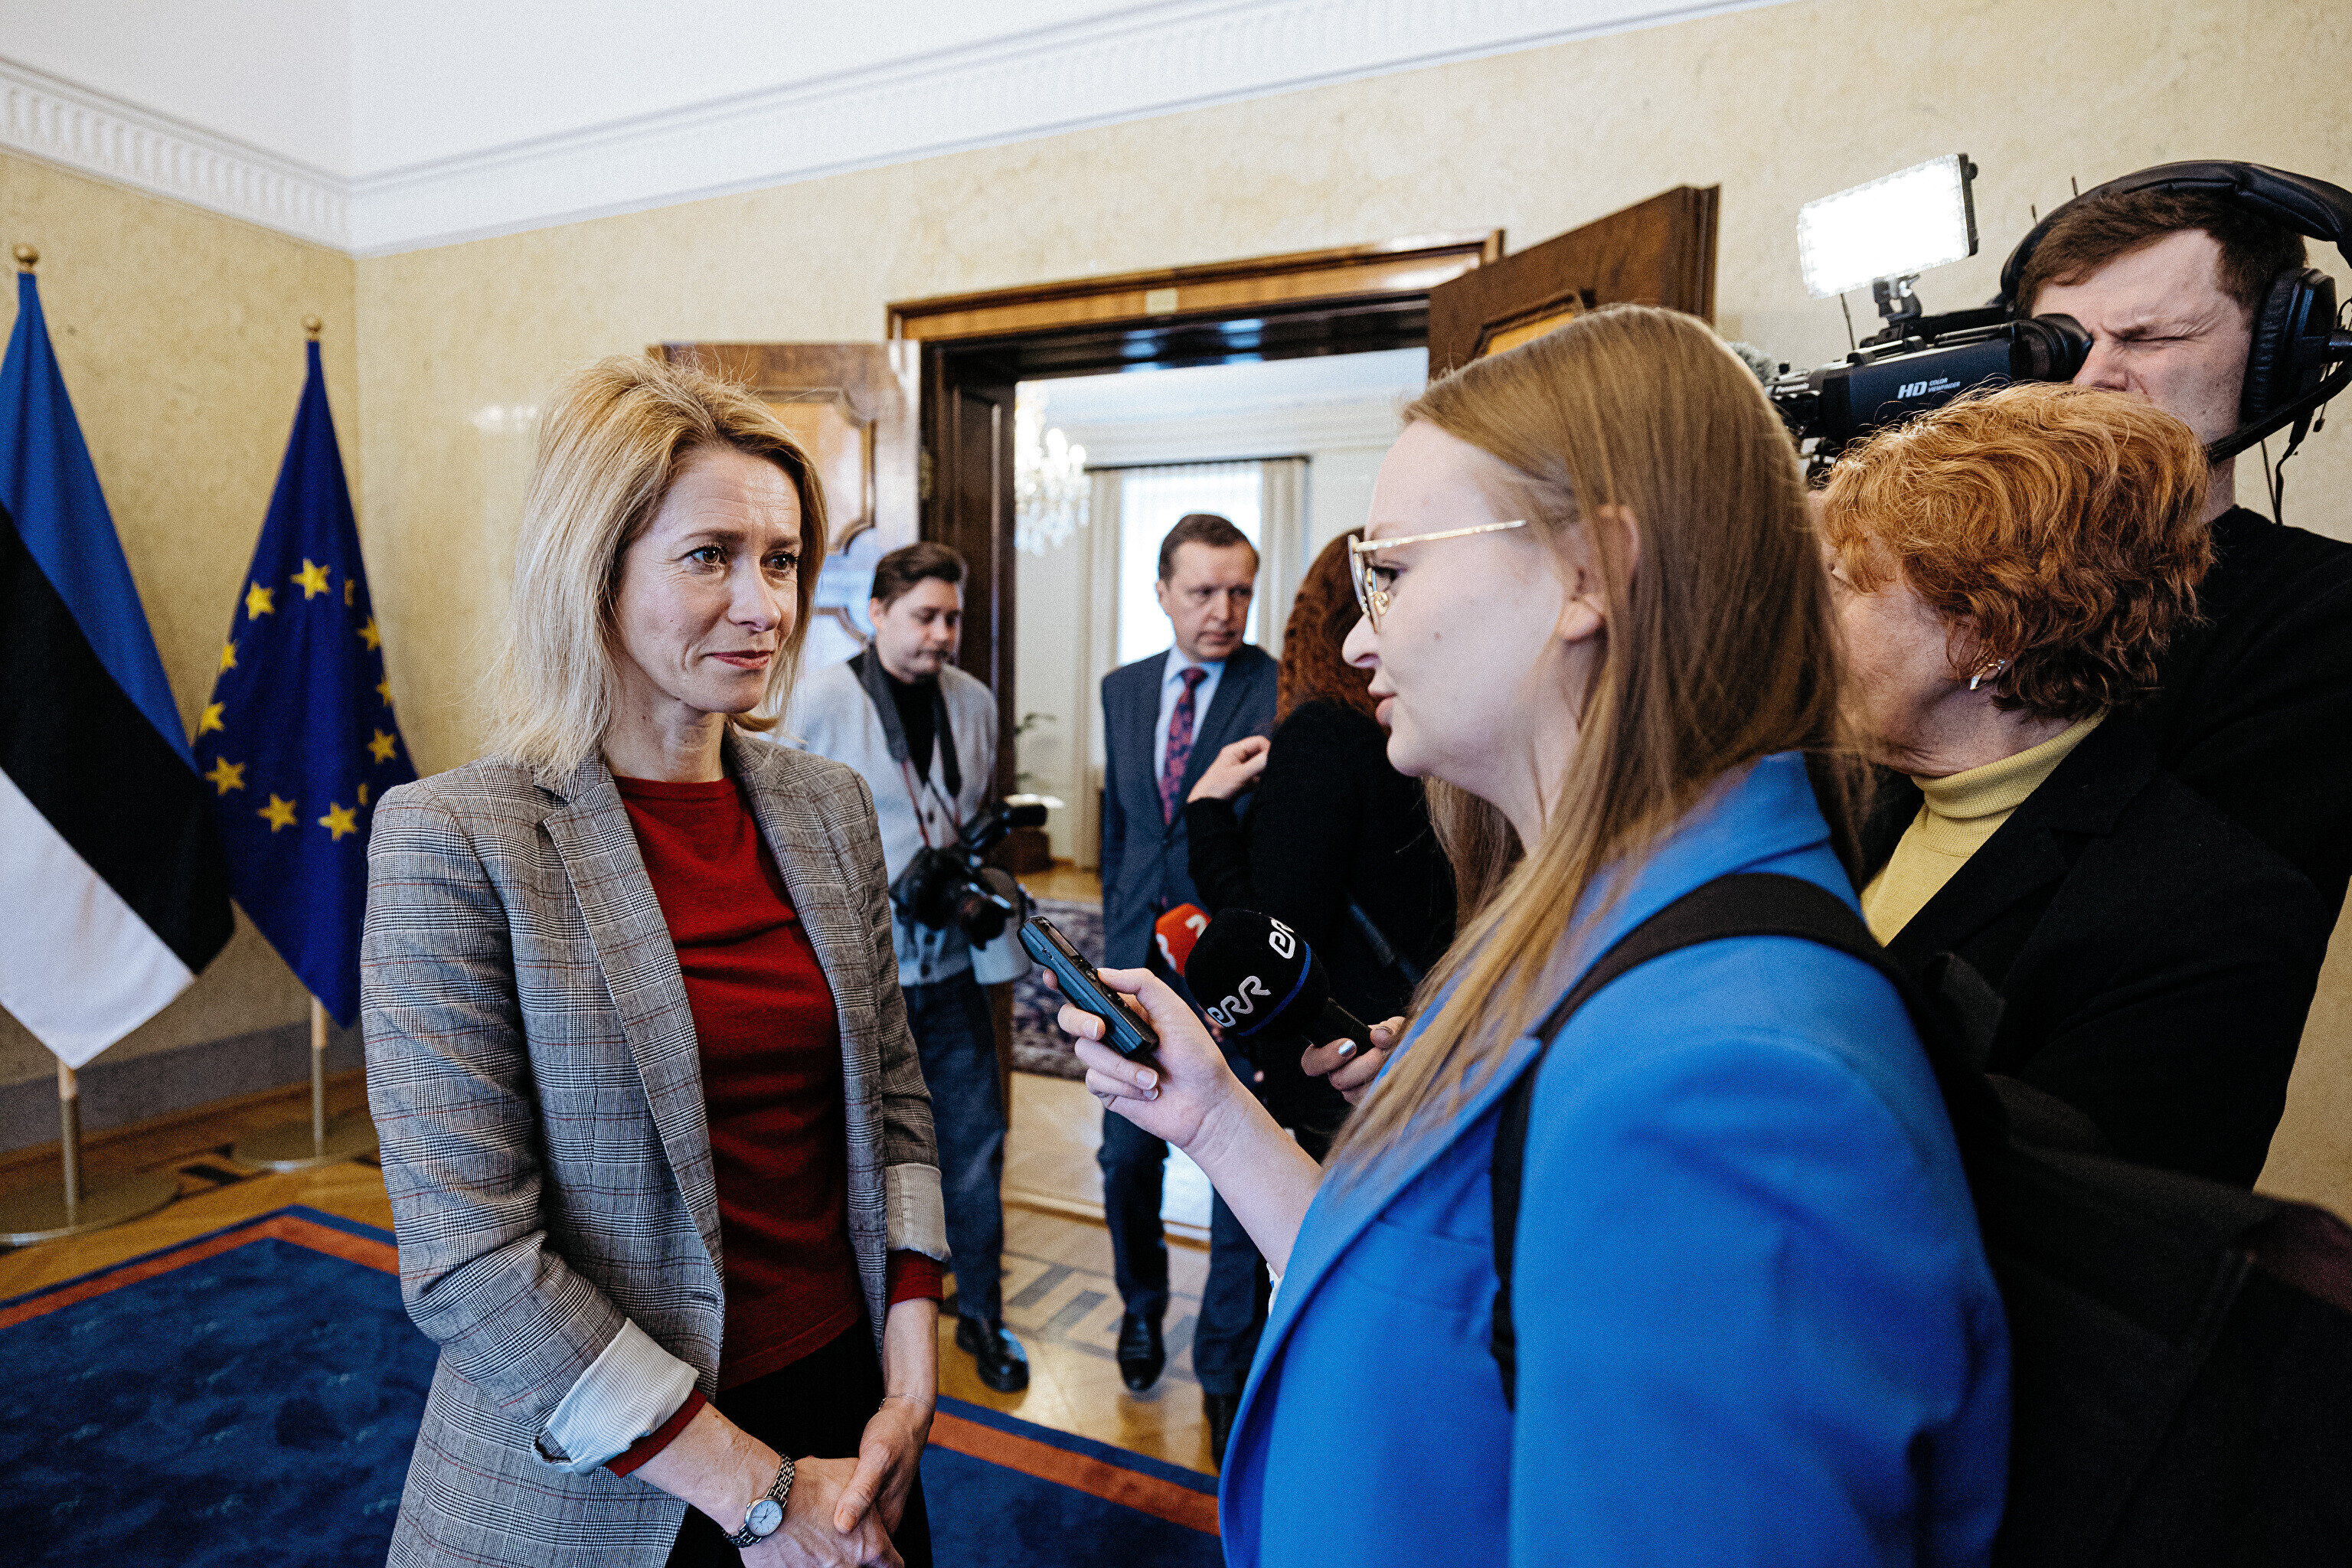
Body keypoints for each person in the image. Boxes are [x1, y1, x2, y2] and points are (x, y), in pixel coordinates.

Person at [1062, 306, 2007, 1566]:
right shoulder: (1583, 922)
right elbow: (1427, 1321)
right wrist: (1217, 1119)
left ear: (1588, 576)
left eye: (1393, 572)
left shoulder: (1731, 1088)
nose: (1357, 637)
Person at [364, 356, 942, 1568]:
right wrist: (760, 1498)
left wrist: (910, 1376)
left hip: (850, 1415)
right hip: (611, 1469)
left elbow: (893, 1100)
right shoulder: (455, 838)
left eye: (782, 560)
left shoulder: (828, 807)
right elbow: (470, 1258)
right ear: (595, 571)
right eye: (710, 557)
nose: (765, 606)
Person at [1822, 382, 2331, 1185]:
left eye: (1846, 583)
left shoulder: (2212, 913)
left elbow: (2072, 1219)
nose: (1808, 614)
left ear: (1982, 638)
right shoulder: (1840, 793)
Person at [1177, 528, 1458, 1464]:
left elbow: (1271, 925)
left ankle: (1262, 1435)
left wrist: (1207, 814)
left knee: (1301, 1271)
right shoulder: (1437, 739)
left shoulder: (1324, 732)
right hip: (1423, 1039)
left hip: (1332, 1056)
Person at [2011, 168, 2352, 912]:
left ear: (2278, 356)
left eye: (2149, 337)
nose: (2091, 380)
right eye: (2062, 346)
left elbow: (2184, 922)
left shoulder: (2326, 612)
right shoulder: (1953, 576)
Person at [789, 542, 1030, 1393]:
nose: (942, 634)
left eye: (952, 618)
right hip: (861, 979)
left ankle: (985, 1314)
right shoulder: (820, 699)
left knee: (976, 1145)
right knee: (855, 1156)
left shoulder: (974, 701)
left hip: (954, 970)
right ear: (878, 612)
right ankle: (856, 1323)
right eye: (925, 616)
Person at [1096, 512, 1276, 1405]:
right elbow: (1124, 829)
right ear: (1162, 592)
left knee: (1239, 1164)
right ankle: (1141, 1306)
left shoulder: (1278, 687)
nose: (1223, 610)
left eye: (1240, 591)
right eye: (1203, 591)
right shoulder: (1123, 688)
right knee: (1127, 1160)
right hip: (1134, 963)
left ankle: (1224, 1363)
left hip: (1229, 966)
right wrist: (1108, 938)